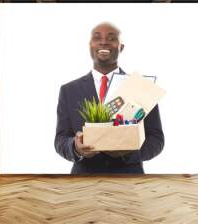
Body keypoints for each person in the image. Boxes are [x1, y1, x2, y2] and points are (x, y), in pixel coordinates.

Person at [54, 22, 164, 174]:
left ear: (121, 47)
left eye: (111, 38)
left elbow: (157, 140)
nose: (104, 41)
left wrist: (129, 152)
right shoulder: (69, 90)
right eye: (97, 37)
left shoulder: (141, 87)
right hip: (83, 180)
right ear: (90, 46)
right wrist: (75, 147)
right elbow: (60, 139)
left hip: (130, 179)